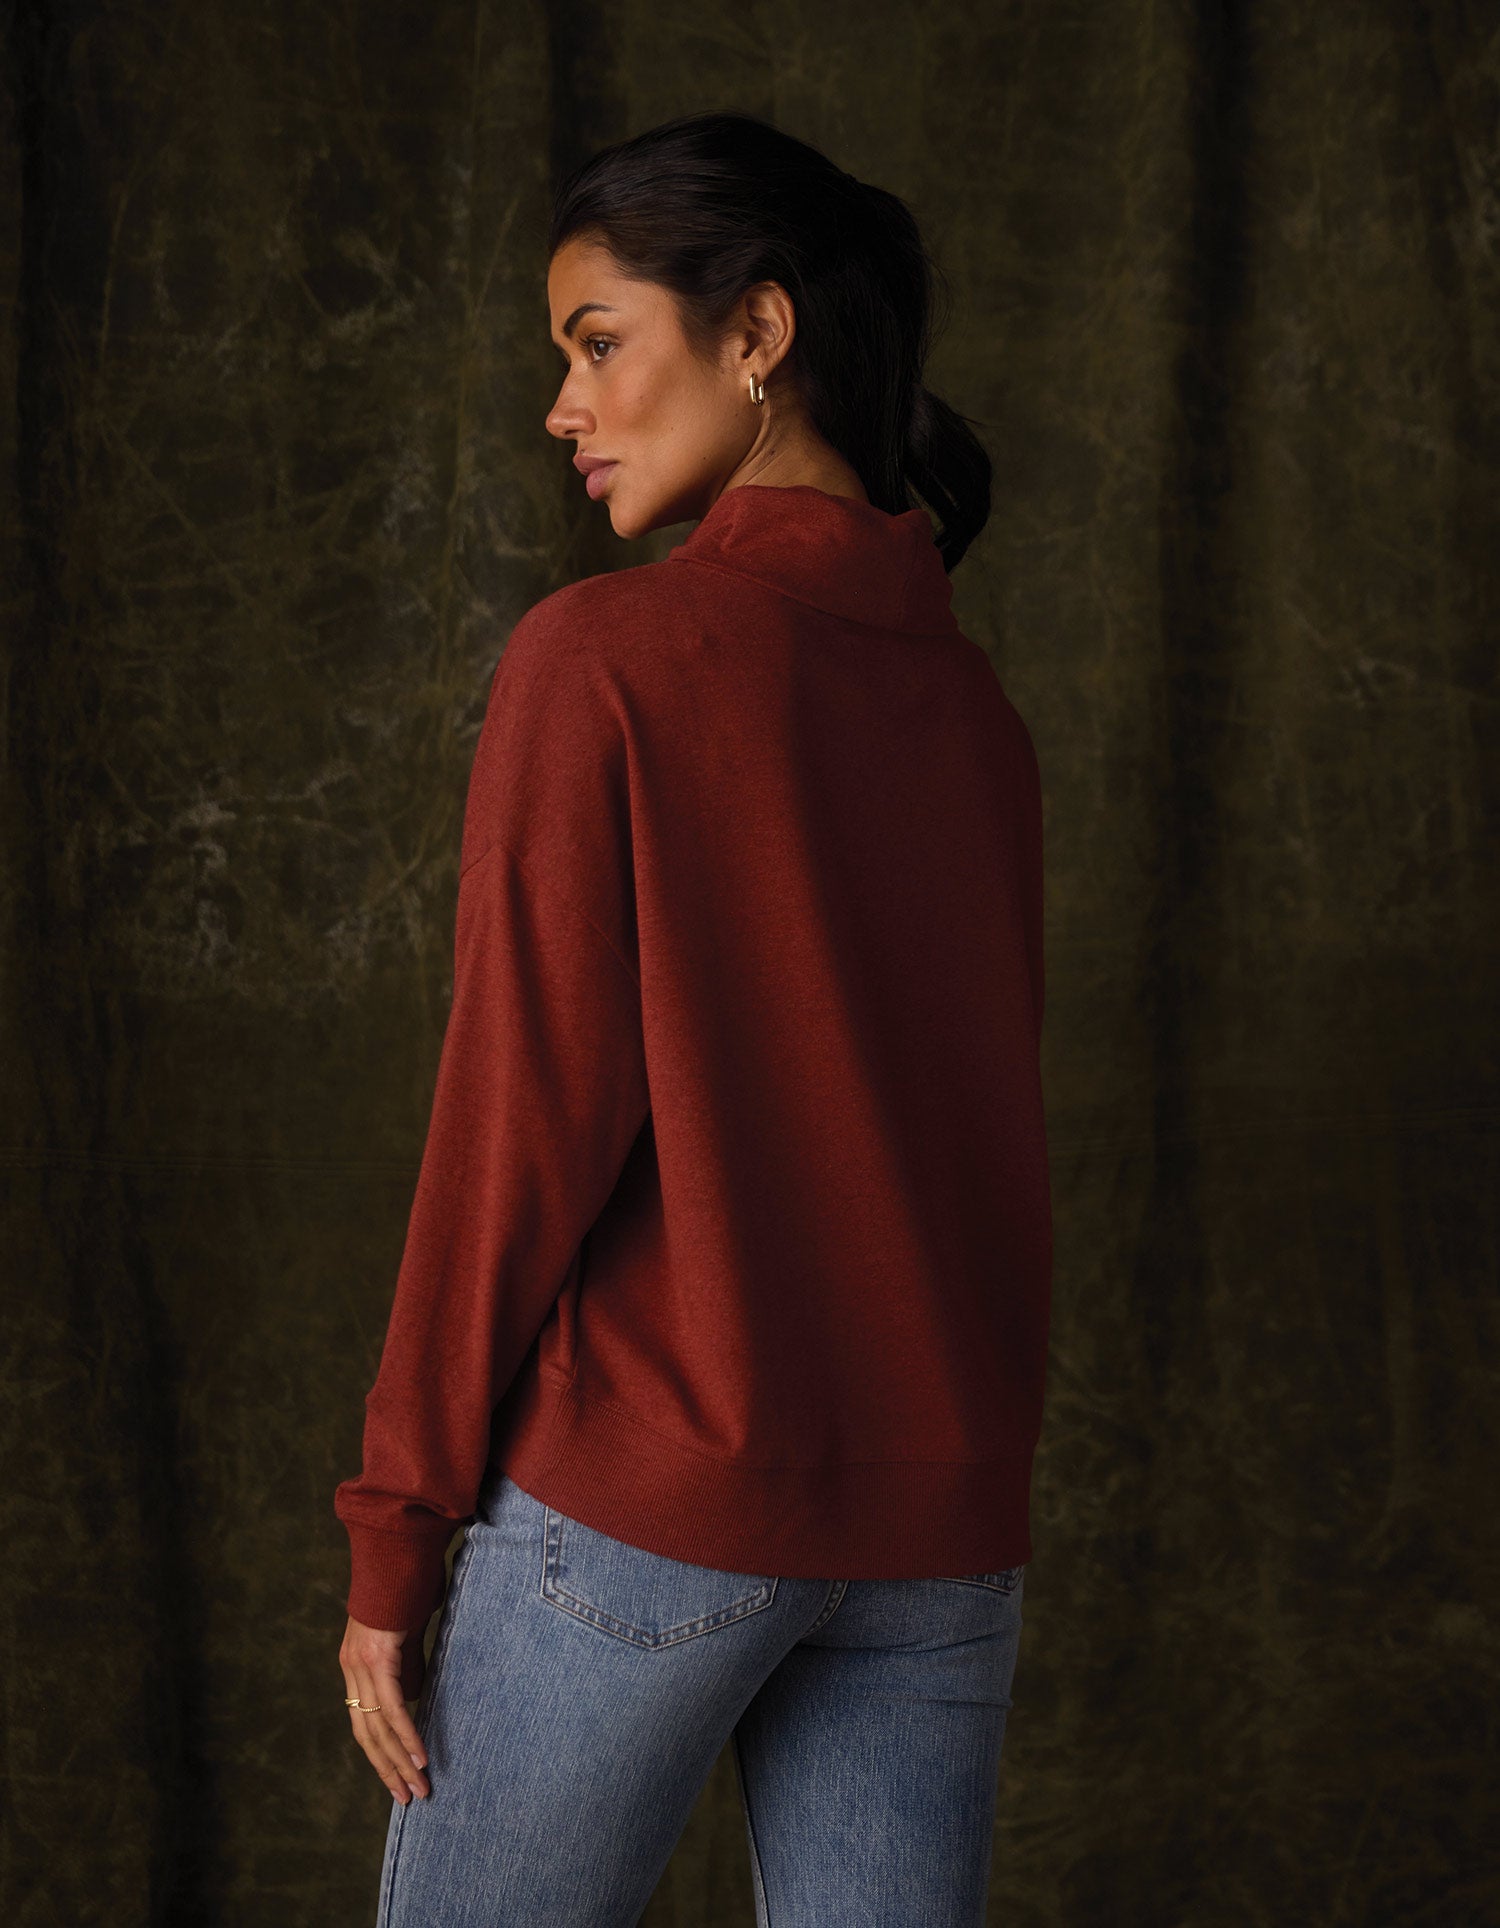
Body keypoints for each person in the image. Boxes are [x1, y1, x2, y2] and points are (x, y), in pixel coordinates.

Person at [334, 109, 1051, 1927]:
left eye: (597, 343)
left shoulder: (604, 662)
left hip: (655, 1509)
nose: (561, 406)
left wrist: (398, 1523)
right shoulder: (975, 716)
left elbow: (515, 1131)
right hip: (938, 1521)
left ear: (758, 332)